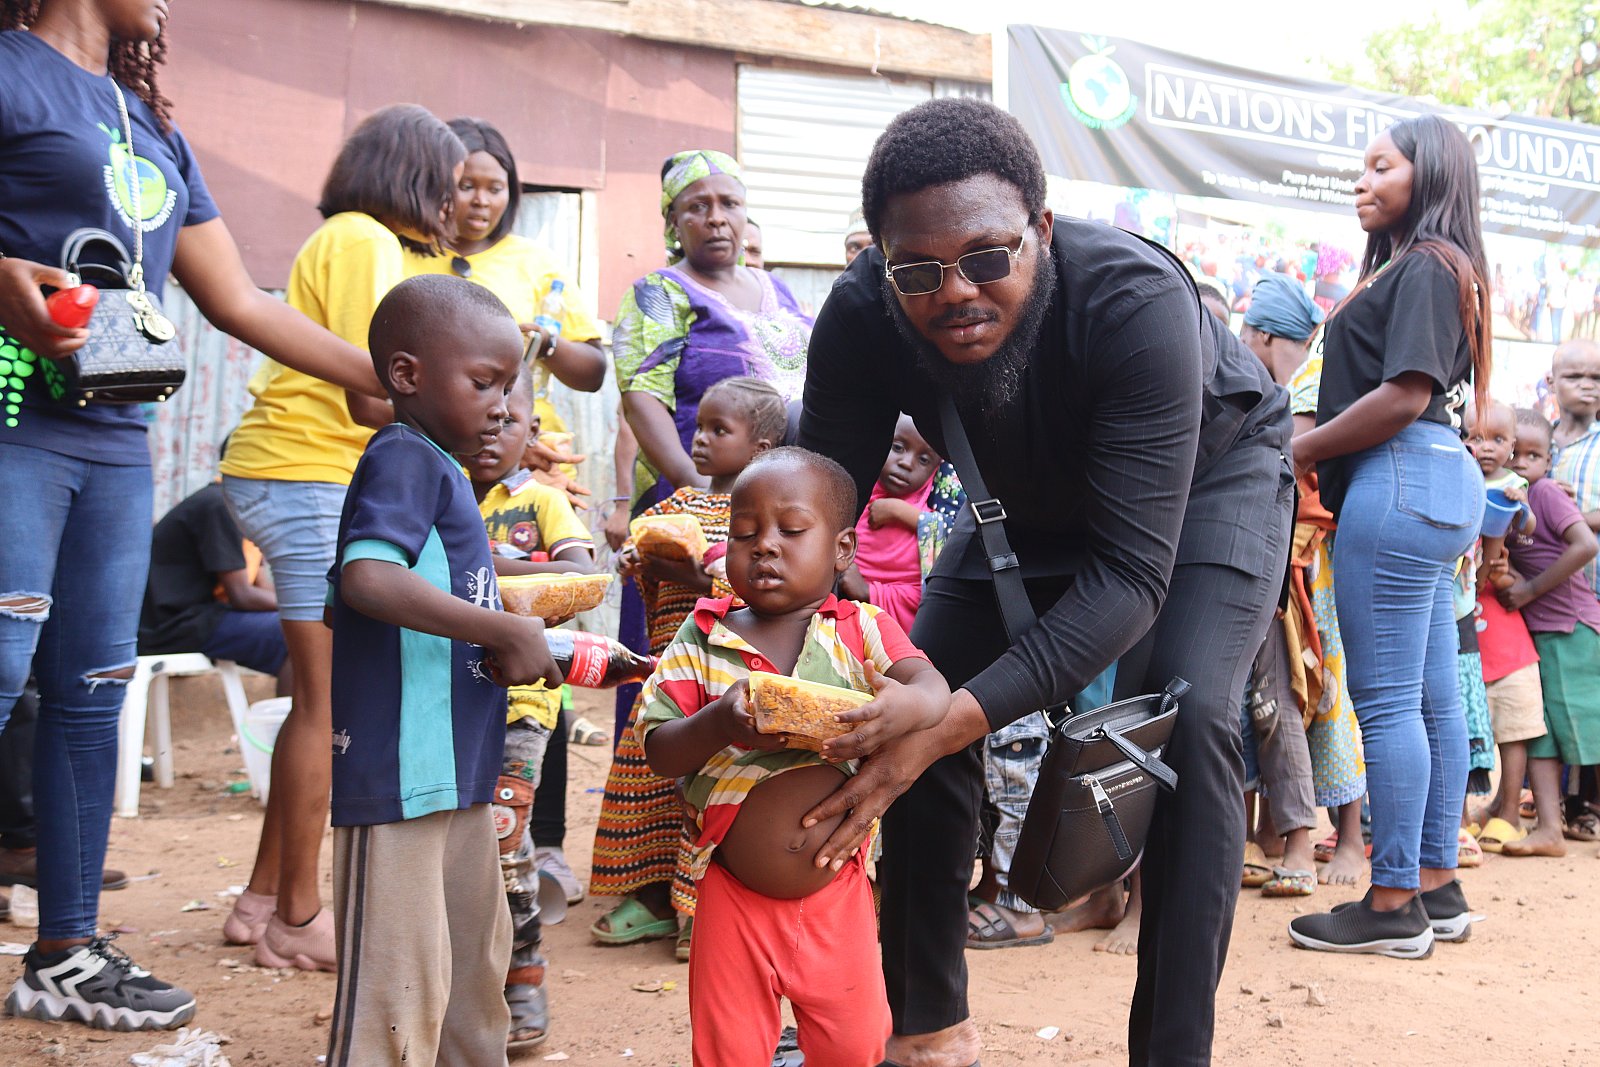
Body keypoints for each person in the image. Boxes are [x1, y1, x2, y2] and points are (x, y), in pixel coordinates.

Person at [798, 98, 1293, 1067]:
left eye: (988, 256)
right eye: (917, 270)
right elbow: (820, 502)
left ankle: (1172, 1051)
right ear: (881, 260)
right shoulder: (861, 312)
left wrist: (955, 719)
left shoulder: (1134, 301)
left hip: (1207, 484)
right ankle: (927, 1026)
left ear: (1044, 230)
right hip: (1016, 504)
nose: (955, 292)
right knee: (910, 692)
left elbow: (1128, 576)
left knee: (1188, 712)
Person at [0, 0, 382, 1030]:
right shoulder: (8, 72)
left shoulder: (150, 125)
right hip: (11, 421)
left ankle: (65, 952)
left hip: (114, 435)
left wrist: (395, 380)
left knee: (92, 686)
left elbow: (241, 302)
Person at [217, 105, 464, 972]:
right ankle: (298, 915)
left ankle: (260, 899)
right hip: (305, 472)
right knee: (327, 704)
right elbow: (374, 391)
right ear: (416, 176)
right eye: (449, 183)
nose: (453, 201)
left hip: (295, 470)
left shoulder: (349, 237)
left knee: (312, 697)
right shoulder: (365, 242)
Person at [637, 447, 950, 1067]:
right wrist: (718, 723)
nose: (765, 546)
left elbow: (932, 689)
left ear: (842, 550)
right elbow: (660, 749)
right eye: (744, 533)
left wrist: (903, 708)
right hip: (730, 893)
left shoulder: (860, 628)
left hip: (837, 893)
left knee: (855, 1044)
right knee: (727, 1050)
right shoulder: (702, 636)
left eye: (792, 530)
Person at [324, 275, 560, 1065]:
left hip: (456, 772)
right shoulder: (402, 458)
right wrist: (499, 626)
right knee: (393, 999)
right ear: (407, 375)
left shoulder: (443, 471)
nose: (502, 405)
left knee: (470, 980)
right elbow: (366, 578)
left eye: (510, 386)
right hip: (400, 774)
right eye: (484, 382)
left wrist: (541, 596)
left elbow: (456, 576)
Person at [1288, 114, 1491, 959]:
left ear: (1429, 173)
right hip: (1439, 482)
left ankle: (1394, 899)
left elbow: (1405, 393)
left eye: (1381, 166)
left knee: (1391, 703)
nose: (1361, 181)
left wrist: (1297, 451)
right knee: (1434, 699)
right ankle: (1437, 885)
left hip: (1401, 479)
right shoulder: (1447, 266)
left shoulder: (1424, 266)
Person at [611, 149, 812, 825]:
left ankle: (749, 823)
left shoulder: (779, 290)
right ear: (673, 221)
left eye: (729, 202)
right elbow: (641, 395)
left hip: (775, 507)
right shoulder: (659, 292)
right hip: (690, 510)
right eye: (697, 206)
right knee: (672, 663)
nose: (717, 217)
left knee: (757, 657)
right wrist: (700, 486)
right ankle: (651, 836)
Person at [589, 377, 785, 959]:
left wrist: (693, 574)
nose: (699, 440)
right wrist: (638, 560)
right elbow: (643, 553)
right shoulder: (676, 505)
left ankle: (700, 908)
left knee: (709, 792)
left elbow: (753, 590)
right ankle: (652, 896)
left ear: (760, 449)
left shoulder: (762, 515)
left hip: (723, 682)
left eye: (718, 430)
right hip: (666, 674)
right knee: (647, 785)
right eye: (699, 426)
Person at [467, 368, 595, 1051]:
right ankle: (464, 978)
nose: (493, 431)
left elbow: (577, 574)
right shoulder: (440, 493)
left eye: (509, 420)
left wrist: (478, 564)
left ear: (534, 432)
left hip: (521, 697)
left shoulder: (541, 501)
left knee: (505, 828)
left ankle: (523, 970)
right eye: (482, 415)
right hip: (445, 695)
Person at [410, 117, 606, 436]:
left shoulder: (537, 262)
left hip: (524, 440)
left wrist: (546, 344)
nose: (482, 201)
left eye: (495, 189)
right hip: (427, 437)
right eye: (466, 186)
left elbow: (593, 373)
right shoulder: (402, 253)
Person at [1500, 410, 1600, 852]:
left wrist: (1530, 590)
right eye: (1514, 453)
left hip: (1571, 628)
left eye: (1533, 455)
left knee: (1588, 729)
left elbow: (1586, 545)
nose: (1521, 463)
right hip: (1540, 631)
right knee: (1544, 732)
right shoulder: (1502, 497)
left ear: (1549, 460)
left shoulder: (1544, 493)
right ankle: (1549, 830)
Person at [137, 476, 289, 690]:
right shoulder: (218, 505)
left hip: (206, 617)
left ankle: (303, 709)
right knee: (295, 634)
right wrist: (305, 609)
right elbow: (242, 596)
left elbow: (260, 587)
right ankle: (302, 711)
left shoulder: (246, 512)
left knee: (305, 628)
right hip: (172, 624)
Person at [839, 413, 942, 635]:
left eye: (924, 460)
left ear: (935, 469)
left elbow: (928, 597)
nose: (906, 463)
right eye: (897, 447)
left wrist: (869, 592)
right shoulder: (848, 497)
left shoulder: (930, 532)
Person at [1549, 339, 1600, 601]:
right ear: (1551, 382)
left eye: (1597, 378)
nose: (1588, 385)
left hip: (1594, 586)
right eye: (1574, 377)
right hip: (1542, 586)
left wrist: (1568, 519)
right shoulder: (1535, 442)